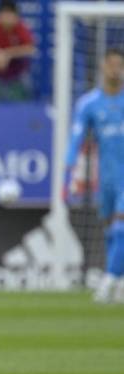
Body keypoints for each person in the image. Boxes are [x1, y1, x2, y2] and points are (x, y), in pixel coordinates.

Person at [66, 48, 124, 303]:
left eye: (119, 65)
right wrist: (68, 173)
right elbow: (76, 139)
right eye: (111, 64)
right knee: (111, 229)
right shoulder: (89, 104)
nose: (115, 69)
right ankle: (120, 280)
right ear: (102, 66)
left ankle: (108, 281)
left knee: (121, 227)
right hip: (108, 177)